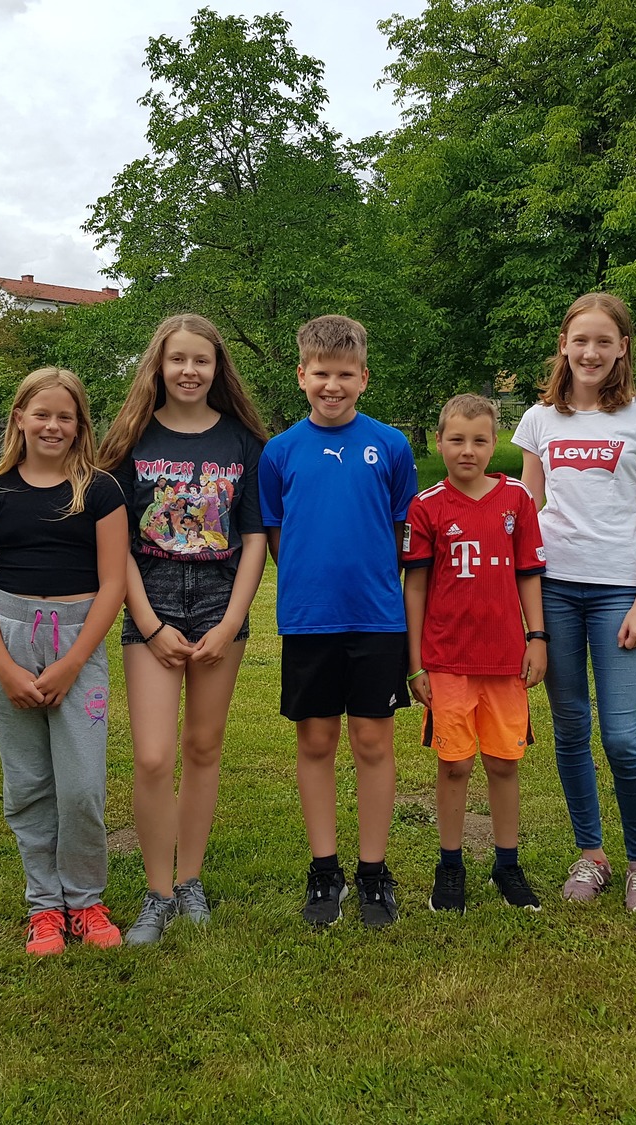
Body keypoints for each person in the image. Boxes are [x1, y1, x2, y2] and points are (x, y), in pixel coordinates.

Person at [100, 315, 268, 947]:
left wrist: (232, 622)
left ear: (218, 368)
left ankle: (189, 880)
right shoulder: (131, 438)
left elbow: (254, 537)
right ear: (159, 365)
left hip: (221, 601)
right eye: (178, 360)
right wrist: (148, 624)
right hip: (153, 598)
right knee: (152, 755)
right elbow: (115, 541)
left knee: (203, 747)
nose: (190, 371)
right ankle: (158, 892)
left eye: (202, 360)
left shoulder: (243, 443)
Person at [511, 292, 636, 914]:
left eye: (604, 341)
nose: (590, 352)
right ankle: (593, 854)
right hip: (554, 587)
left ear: (622, 348)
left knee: (623, 737)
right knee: (571, 729)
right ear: (563, 345)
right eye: (580, 340)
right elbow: (526, 511)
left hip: (617, 592)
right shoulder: (539, 419)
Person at [258, 314, 418, 928]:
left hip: (377, 619)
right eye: (321, 373)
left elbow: (400, 532)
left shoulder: (391, 446)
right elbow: (277, 535)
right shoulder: (279, 452)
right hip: (309, 620)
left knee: (373, 742)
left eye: (345, 375)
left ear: (364, 378)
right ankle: (325, 870)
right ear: (302, 375)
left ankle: (374, 872)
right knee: (317, 741)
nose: (333, 385)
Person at [0, 368, 129, 954]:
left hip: (78, 643)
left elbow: (113, 585)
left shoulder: (102, 492)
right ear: (19, 419)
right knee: (29, 784)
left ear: (80, 425)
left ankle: (85, 900)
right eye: (41, 414)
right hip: (12, 643)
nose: (52, 426)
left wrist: (74, 662)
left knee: (81, 786)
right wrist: (5, 667)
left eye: (65, 416)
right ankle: (44, 907)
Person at [403, 394, 548, 914]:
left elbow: (528, 573)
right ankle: (450, 866)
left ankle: (507, 865)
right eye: (457, 440)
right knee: (455, 764)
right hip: (447, 660)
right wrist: (415, 662)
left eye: (479, 440)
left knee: (504, 763)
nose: (468, 450)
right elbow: (416, 587)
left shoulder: (516, 500)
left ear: (494, 443)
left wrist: (538, 637)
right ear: (439, 441)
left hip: (505, 659)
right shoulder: (426, 506)